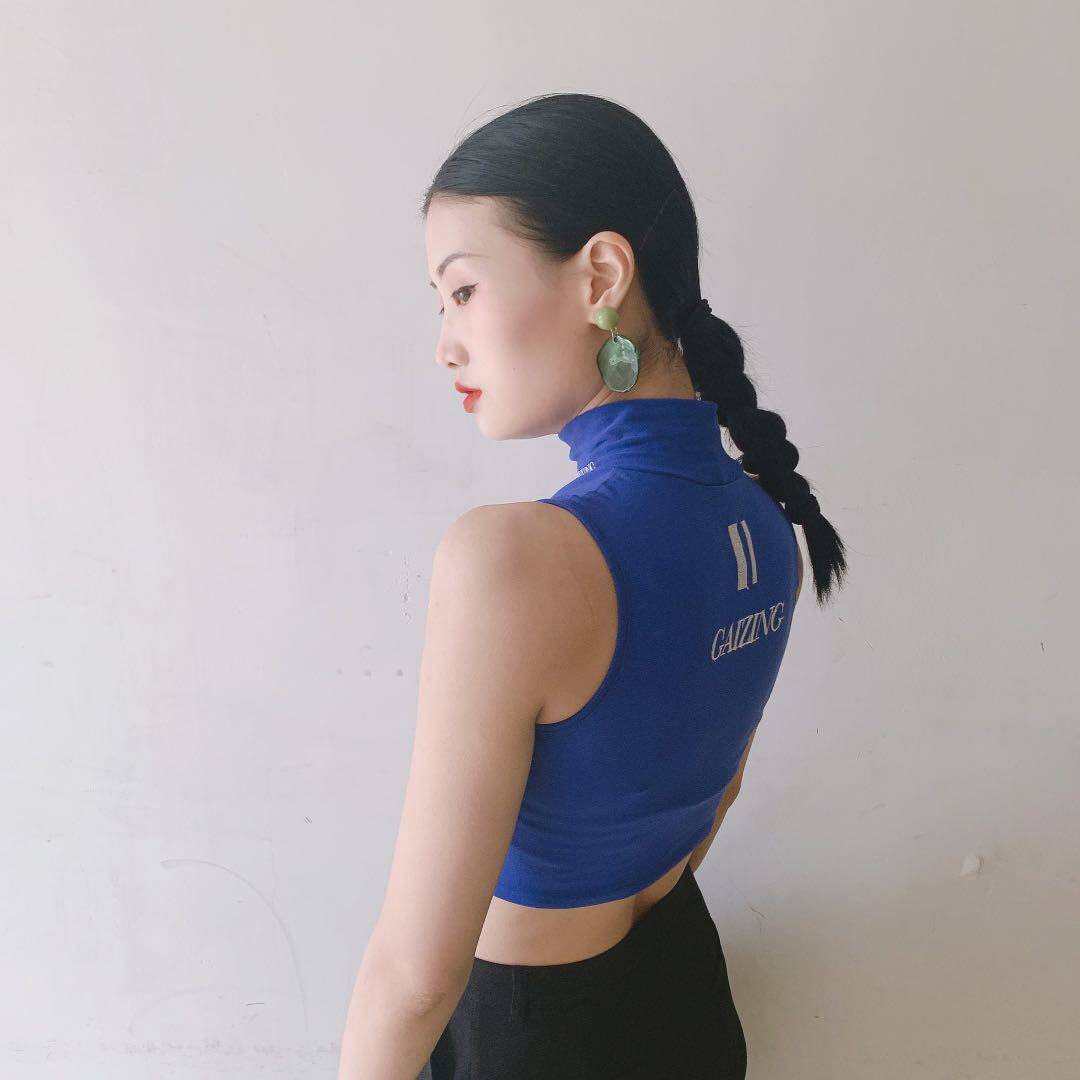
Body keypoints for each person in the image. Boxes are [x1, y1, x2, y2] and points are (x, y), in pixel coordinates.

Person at [336, 92, 848, 1080]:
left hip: (534, 1034)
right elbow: (715, 795)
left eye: (463, 290)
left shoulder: (513, 562)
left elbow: (412, 976)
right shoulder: (768, 524)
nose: (445, 342)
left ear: (602, 276)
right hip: (687, 996)